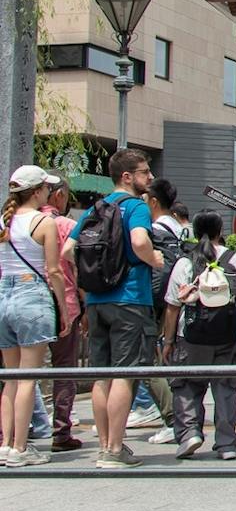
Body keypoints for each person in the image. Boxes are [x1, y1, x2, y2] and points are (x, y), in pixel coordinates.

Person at [66, 149, 162, 470]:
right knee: (124, 373)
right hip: (131, 299)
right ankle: (116, 448)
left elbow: (68, 250)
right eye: (145, 172)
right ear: (127, 177)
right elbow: (139, 242)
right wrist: (155, 260)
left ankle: (105, 446)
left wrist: (91, 279)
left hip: (97, 300)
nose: (150, 178)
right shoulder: (136, 207)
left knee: (102, 374)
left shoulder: (95, 208)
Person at [162, 211, 236, 459]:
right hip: (228, 335)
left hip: (190, 337)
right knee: (226, 389)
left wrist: (168, 341)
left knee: (187, 385)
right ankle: (227, 443)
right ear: (221, 231)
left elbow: (172, 305)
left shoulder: (186, 262)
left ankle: (190, 434)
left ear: (195, 232)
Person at [0, 165, 69, 467]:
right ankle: (20, 447)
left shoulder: (4, 220)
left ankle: (5, 443)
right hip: (32, 296)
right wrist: (62, 308)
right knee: (28, 377)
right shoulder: (44, 222)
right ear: (39, 191)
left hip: (4, 296)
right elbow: (53, 270)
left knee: (10, 378)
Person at [126, 174, 185, 440]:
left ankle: (173, 418)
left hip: (152, 301)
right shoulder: (181, 228)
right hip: (174, 300)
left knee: (144, 359)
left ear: (152, 201)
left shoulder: (156, 231)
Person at [38, 174, 84, 452]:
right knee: (63, 369)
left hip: (17, 302)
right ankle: (61, 431)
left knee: (17, 372)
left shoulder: (13, 224)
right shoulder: (66, 225)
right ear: (57, 195)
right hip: (62, 302)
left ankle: (9, 433)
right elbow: (77, 268)